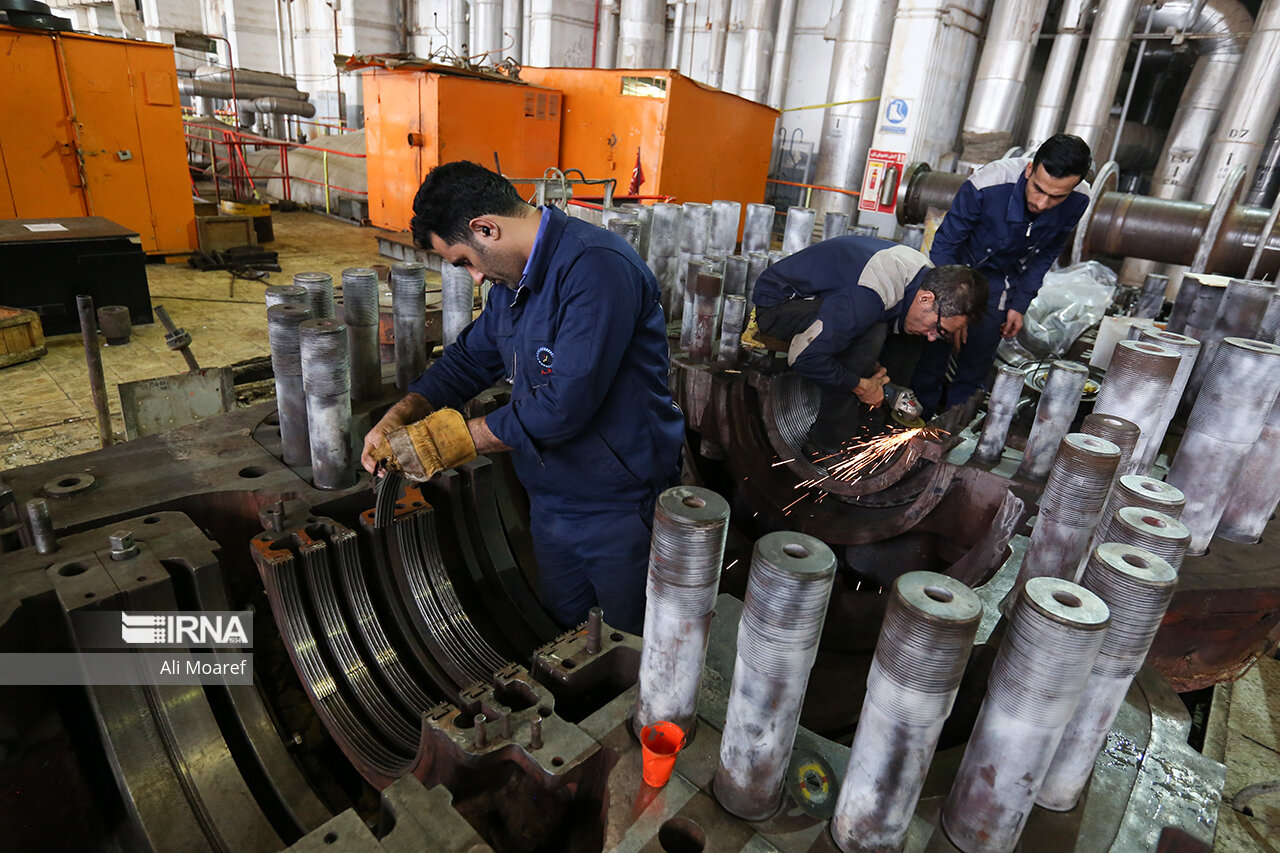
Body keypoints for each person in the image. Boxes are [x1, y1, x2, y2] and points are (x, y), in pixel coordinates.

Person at [360, 161, 683, 636]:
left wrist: (445, 441)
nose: (472, 278)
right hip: (552, 498)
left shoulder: (595, 267)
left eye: (464, 261)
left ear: (486, 228)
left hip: (618, 502)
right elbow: (469, 361)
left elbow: (563, 407)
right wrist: (401, 415)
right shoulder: (512, 286)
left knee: (628, 642)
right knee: (566, 633)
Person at [752, 235, 988, 455]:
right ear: (926, 299)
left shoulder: (925, 281)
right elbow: (804, 357)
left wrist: (879, 379)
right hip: (781, 306)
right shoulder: (869, 296)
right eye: (939, 329)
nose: (932, 336)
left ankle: (873, 440)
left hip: (838, 304)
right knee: (871, 334)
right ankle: (825, 448)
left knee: (910, 341)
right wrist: (861, 385)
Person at [913, 133, 1092, 413]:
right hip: (957, 269)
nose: (1042, 203)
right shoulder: (988, 184)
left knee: (977, 359)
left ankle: (952, 428)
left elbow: (1046, 253)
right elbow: (945, 244)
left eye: (1057, 196)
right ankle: (917, 418)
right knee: (934, 349)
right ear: (1030, 169)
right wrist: (953, 306)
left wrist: (1020, 304)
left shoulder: (1080, 199)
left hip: (1000, 280)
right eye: (1038, 190)